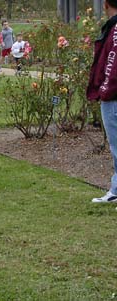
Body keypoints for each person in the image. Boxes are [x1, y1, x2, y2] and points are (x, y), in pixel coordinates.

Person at [87, 0, 117, 204]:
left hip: (113, 98)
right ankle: (115, 189)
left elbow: (112, 63)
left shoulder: (115, 30)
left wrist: (104, 90)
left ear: (106, 4)